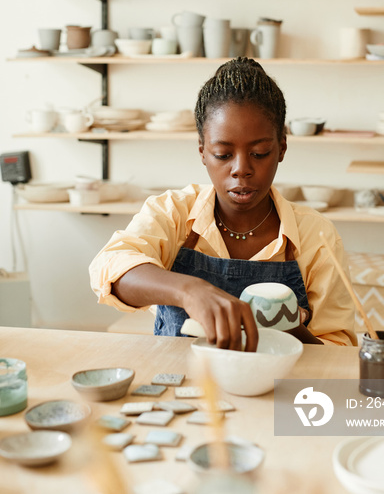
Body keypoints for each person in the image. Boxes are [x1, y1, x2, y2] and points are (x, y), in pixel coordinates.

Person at [89, 57, 356, 351]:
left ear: (282, 147)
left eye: (260, 152)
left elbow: (337, 351)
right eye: (223, 154)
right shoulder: (173, 213)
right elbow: (111, 267)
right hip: (186, 386)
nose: (241, 169)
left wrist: (289, 326)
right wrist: (189, 290)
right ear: (203, 151)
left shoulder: (316, 236)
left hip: (279, 389)